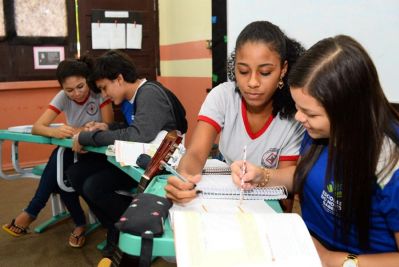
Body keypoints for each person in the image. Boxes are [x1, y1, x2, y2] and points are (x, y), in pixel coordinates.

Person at [231, 35, 399, 266]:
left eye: (310, 113)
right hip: (305, 251)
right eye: (298, 108)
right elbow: (306, 175)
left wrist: (334, 260)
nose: (300, 118)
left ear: (348, 111)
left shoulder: (391, 162)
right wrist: (262, 175)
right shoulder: (318, 133)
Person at [165, 21, 305, 206]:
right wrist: (184, 179)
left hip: (266, 201)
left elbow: (286, 189)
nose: (253, 82)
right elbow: (197, 153)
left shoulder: (296, 115)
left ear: (283, 70)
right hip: (225, 193)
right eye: (243, 71)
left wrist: (262, 175)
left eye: (265, 72)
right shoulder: (223, 96)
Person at [66, 50, 187, 256]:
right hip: (135, 160)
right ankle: (115, 224)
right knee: (75, 173)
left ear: (119, 79)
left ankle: (131, 224)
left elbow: (138, 135)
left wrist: (85, 137)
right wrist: (108, 127)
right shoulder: (131, 99)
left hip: (154, 166)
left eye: (104, 88)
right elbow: (135, 127)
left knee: (94, 186)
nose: (104, 95)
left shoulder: (148, 93)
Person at [2, 57, 114, 248]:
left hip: (96, 150)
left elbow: (110, 127)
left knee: (59, 166)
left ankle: (34, 212)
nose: (76, 93)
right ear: (62, 88)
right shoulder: (63, 97)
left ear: (88, 80)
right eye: (69, 90)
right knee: (62, 175)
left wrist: (80, 131)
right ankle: (79, 224)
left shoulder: (98, 93)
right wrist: (54, 131)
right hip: (73, 149)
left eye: (80, 86)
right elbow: (38, 127)